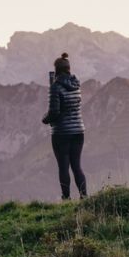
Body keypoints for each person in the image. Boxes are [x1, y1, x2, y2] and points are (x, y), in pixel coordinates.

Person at [44, 52, 87, 199]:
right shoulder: (76, 84)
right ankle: (84, 196)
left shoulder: (55, 87)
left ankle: (66, 198)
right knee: (77, 166)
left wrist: (45, 119)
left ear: (56, 70)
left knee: (63, 166)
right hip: (79, 131)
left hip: (61, 132)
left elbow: (54, 112)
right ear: (69, 68)